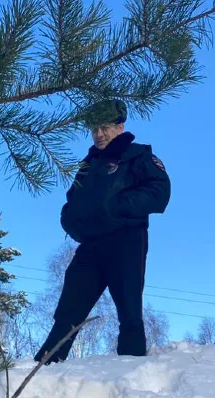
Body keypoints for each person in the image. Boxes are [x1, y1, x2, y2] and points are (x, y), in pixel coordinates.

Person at [34, 99, 171, 364]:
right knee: (68, 311)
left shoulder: (139, 156)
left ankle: (131, 372)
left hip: (126, 240)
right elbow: (71, 202)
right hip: (90, 246)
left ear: (120, 127)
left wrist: (115, 208)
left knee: (129, 311)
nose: (99, 134)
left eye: (105, 127)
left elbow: (159, 193)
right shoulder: (88, 165)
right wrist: (71, 222)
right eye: (94, 128)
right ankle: (42, 369)